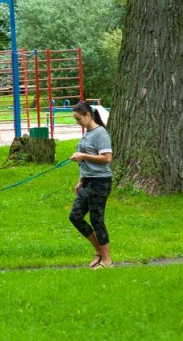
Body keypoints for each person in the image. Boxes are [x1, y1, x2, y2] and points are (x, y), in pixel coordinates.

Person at [69, 101, 113, 269]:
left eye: (78, 118)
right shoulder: (87, 133)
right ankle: (99, 252)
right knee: (75, 216)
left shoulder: (100, 133)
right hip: (87, 181)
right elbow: (86, 156)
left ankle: (107, 261)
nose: (77, 122)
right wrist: (81, 179)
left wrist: (83, 156)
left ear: (88, 115)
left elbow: (107, 158)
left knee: (97, 220)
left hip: (100, 183)